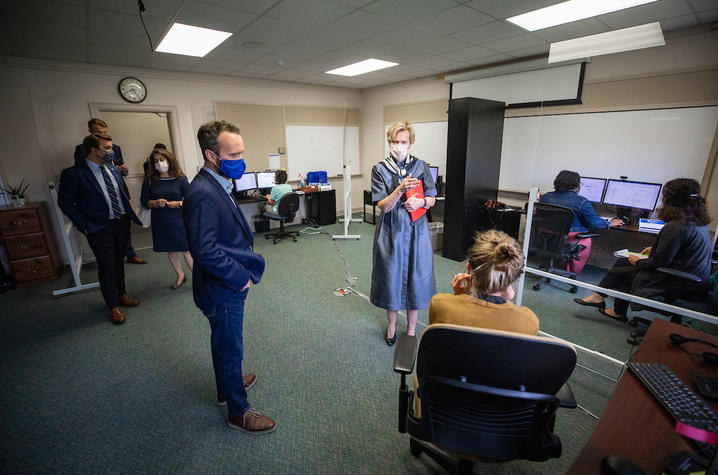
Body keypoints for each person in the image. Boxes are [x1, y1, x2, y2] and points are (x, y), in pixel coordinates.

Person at [183, 120, 276, 434]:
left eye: (242, 153)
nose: (241, 161)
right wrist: (239, 277)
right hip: (222, 285)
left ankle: (228, 386)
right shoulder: (202, 192)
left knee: (223, 343)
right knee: (229, 347)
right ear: (212, 156)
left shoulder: (217, 182)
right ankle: (239, 411)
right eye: (233, 155)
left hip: (225, 282)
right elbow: (204, 249)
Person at [574, 178, 713, 321]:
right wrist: (657, 248)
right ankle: (604, 301)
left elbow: (658, 262)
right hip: (695, 280)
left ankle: (608, 304)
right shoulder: (695, 220)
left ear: (670, 200)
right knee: (623, 263)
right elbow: (683, 248)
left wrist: (637, 261)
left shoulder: (677, 225)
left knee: (624, 270)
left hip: (680, 282)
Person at [58, 133, 142, 324]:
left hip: (120, 223)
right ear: (93, 150)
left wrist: (128, 216)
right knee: (107, 266)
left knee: (119, 262)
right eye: (107, 148)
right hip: (98, 227)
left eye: (111, 147)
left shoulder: (112, 169)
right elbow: (65, 203)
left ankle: (122, 294)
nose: (111, 151)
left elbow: (121, 194)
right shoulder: (74, 174)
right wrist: (84, 225)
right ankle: (113, 306)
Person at [370, 120, 437, 346]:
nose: (399, 145)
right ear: (389, 142)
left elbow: (432, 199)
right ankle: (391, 326)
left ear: (411, 143)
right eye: (395, 141)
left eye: (404, 142)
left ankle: (410, 330)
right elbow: (384, 206)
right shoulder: (380, 169)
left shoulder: (420, 166)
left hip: (416, 230)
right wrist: (400, 189)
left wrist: (421, 202)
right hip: (391, 231)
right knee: (391, 277)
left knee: (416, 278)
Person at [429, 230, 540, 335]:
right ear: (512, 277)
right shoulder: (529, 322)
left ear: (469, 268)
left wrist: (458, 297)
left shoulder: (439, 305)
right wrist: (506, 300)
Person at [74, 118, 147, 265]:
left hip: (117, 193)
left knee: (124, 229)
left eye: (104, 132)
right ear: (91, 133)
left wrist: (125, 170)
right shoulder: (81, 149)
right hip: (99, 196)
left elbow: (121, 167)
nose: (101, 134)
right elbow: (82, 172)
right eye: (98, 132)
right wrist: (83, 224)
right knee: (107, 255)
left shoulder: (116, 148)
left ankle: (130, 253)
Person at [539, 170, 624, 275]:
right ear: (576, 186)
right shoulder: (581, 201)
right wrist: (609, 223)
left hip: (548, 238)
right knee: (586, 239)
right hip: (569, 240)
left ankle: (563, 265)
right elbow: (594, 223)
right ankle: (572, 271)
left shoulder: (546, 197)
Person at [140, 148, 193, 289]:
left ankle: (200, 278)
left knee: (187, 249)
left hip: (179, 218)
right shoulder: (150, 180)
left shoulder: (180, 179)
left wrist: (179, 203)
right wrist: (155, 203)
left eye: (161, 160)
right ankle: (180, 275)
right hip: (161, 220)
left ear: (169, 161)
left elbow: (191, 199)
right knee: (171, 250)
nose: (159, 163)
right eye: (156, 161)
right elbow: (144, 200)